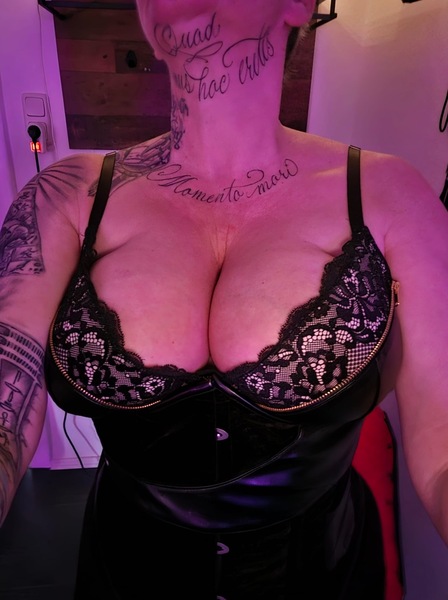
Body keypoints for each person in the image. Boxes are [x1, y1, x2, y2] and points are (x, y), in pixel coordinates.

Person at [1, 0, 447, 598]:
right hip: (122, 576)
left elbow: (443, 446)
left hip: (324, 577)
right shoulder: (66, 196)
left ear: (299, 4)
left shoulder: (390, 194)